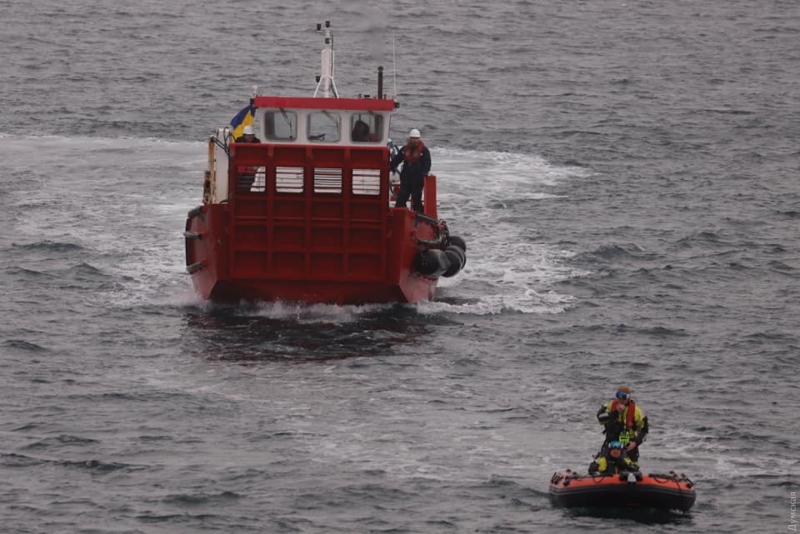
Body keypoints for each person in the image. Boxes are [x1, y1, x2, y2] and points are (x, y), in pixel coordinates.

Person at [596, 385, 648, 464]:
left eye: (623, 396)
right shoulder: (609, 406)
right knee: (603, 466)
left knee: (631, 467)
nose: (621, 399)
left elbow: (645, 431)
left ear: (628, 397)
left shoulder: (636, 411)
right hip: (611, 443)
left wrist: (636, 442)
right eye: (618, 396)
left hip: (627, 444)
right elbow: (600, 419)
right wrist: (615, 412)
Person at [390, 128, 431, 212]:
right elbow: (397, 159)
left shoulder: (424, 151)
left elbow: (427, 163)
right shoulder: (405, 149)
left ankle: (419, 217)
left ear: (419, 139)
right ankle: (400, 215)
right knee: (401, 198)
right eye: (413, 138)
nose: (414, 140)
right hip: (406, 178)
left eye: (416, 138)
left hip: (417, 179)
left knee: (416, 199)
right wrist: (390, 166)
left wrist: (424, 173)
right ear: (410, 138)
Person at [233, 125, 261, 191]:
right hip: (239, 170)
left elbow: (260, 156)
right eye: (248, 135)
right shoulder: (238, 142)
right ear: (244, 135)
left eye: (251, 135)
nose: (250, 137)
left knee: (246, 187)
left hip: (250, 171)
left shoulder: (258, 143)